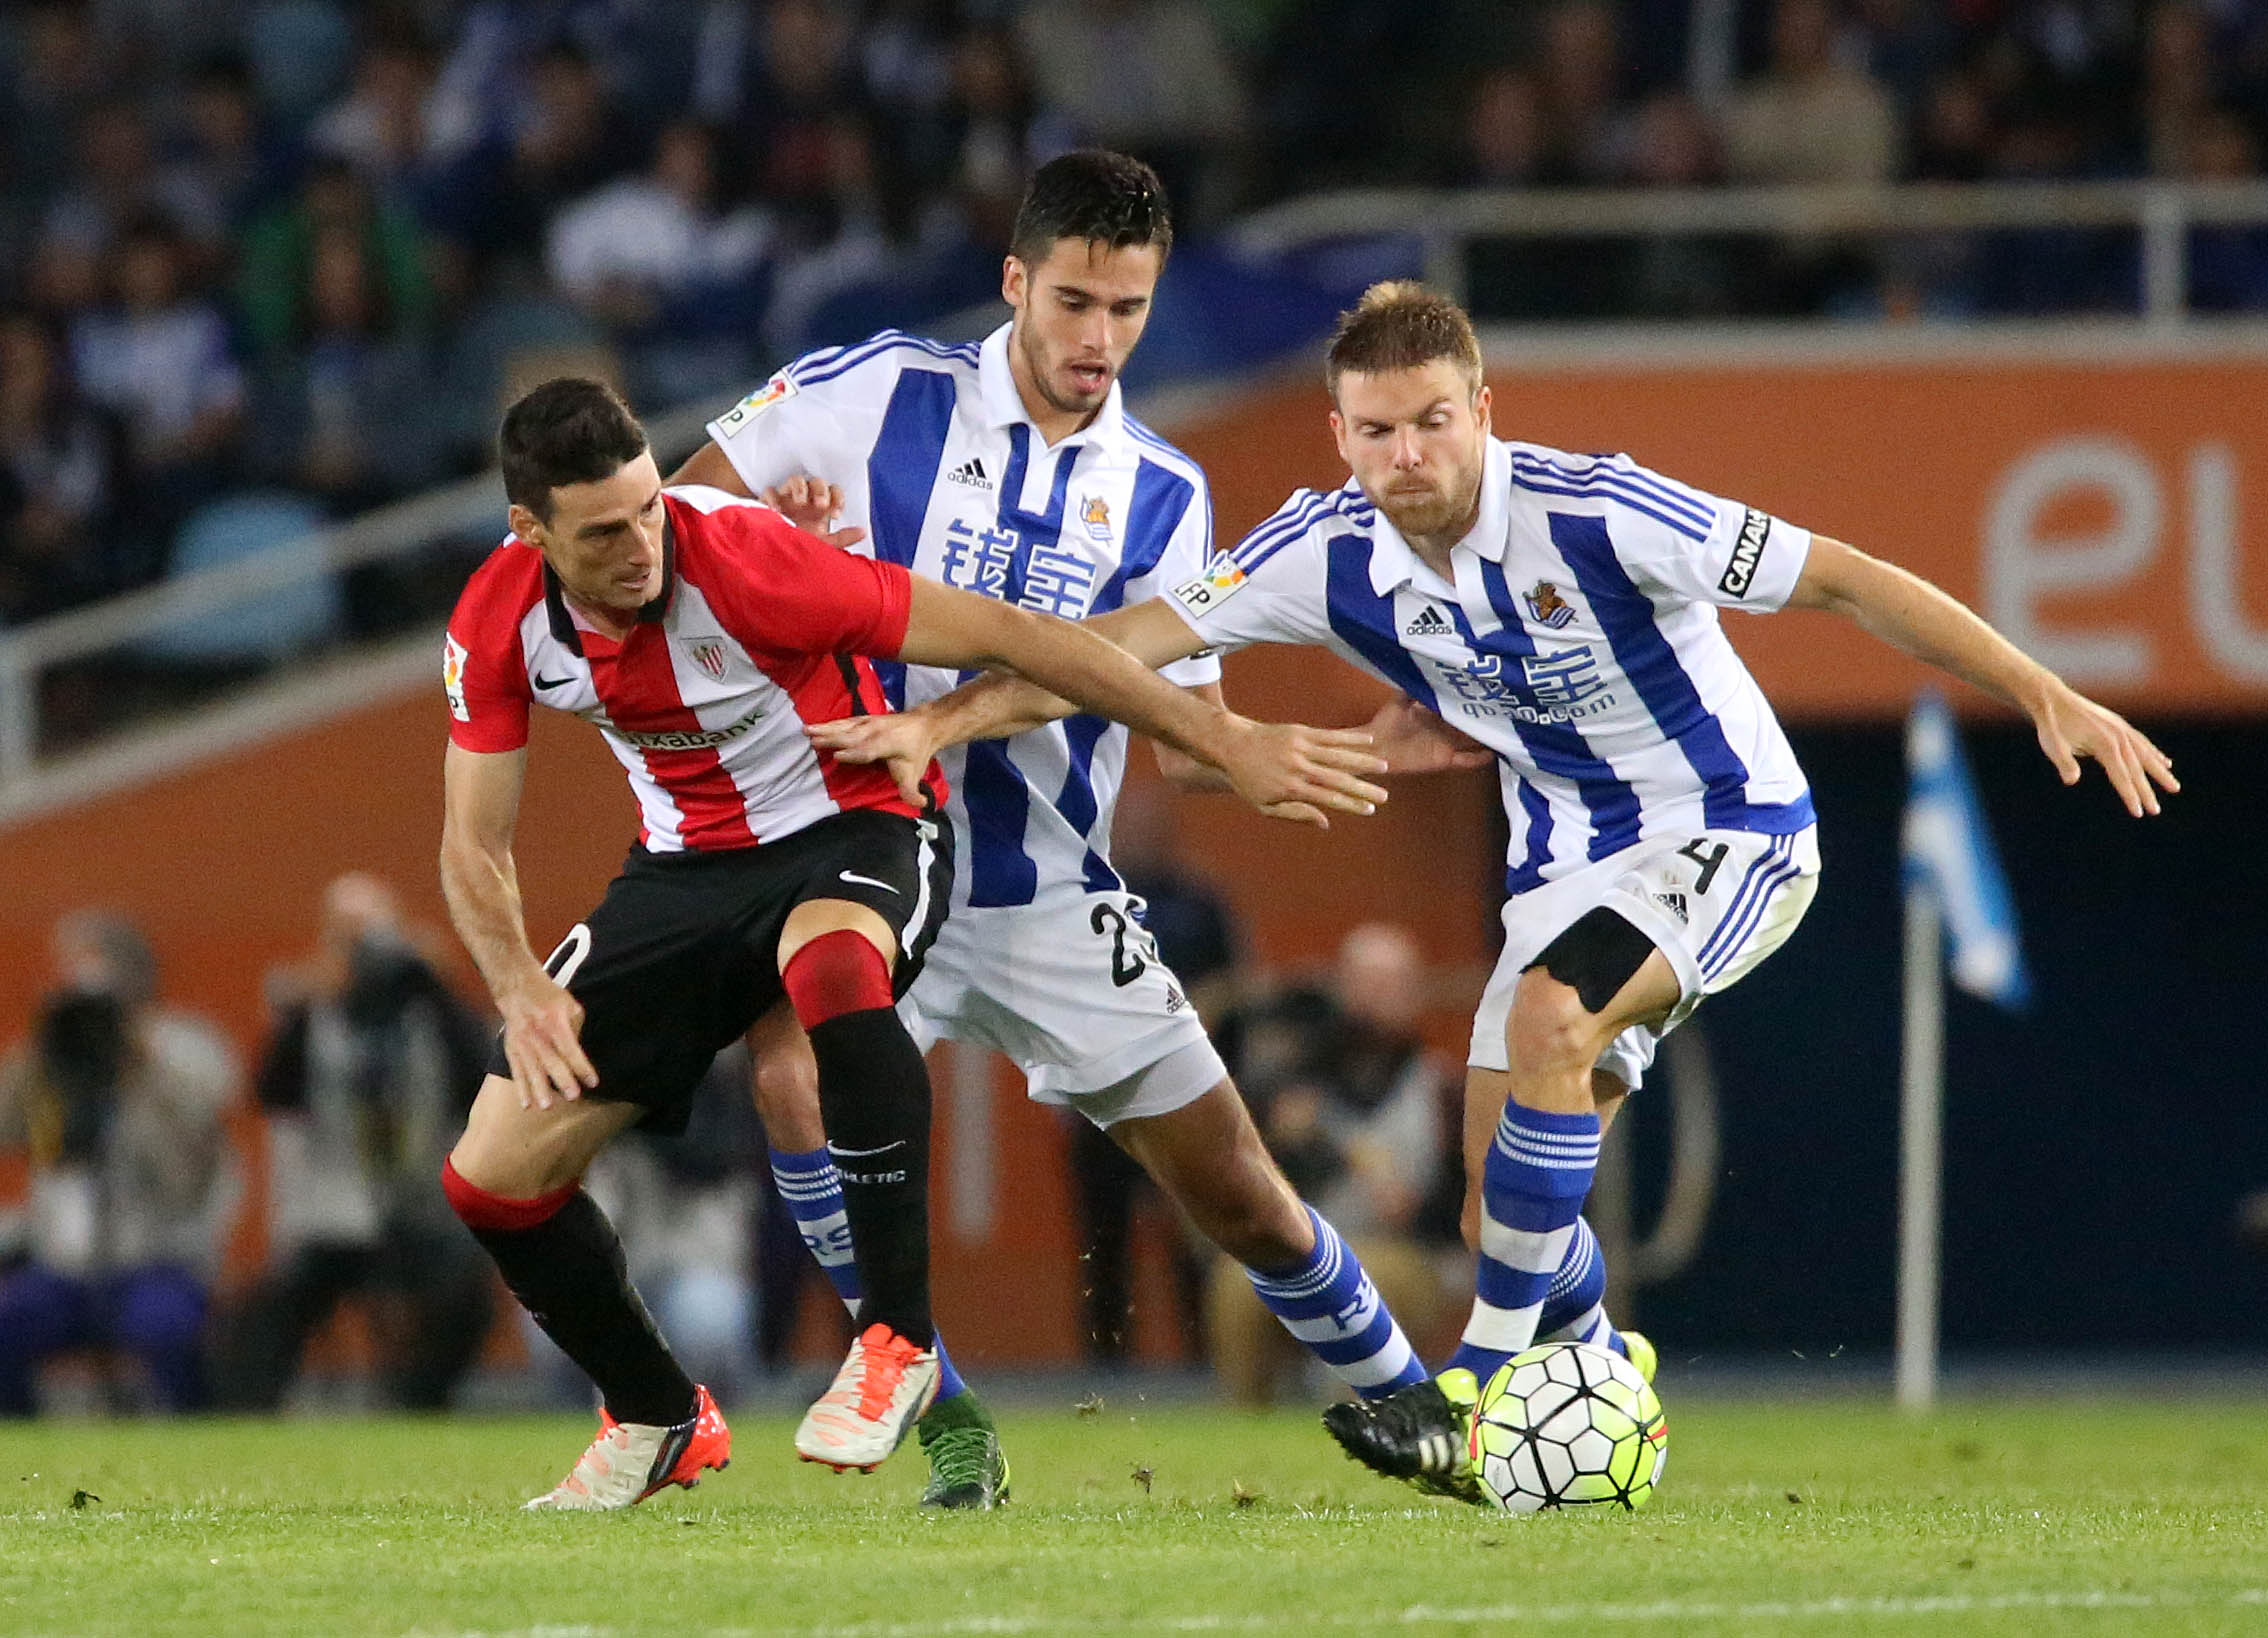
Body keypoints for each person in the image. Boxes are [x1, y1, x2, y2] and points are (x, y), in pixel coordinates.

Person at [807, 280, 2180, 1503]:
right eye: (1376, 431)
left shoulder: (1600, 507)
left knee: (1547, 1027)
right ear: (1338, 435)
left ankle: (1474, 1387)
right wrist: (945, 722)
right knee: (1496, 1213)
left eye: (1432, 423)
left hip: (1730, 826)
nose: (1407, 457)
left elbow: (1845, 581)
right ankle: (1594, 1369)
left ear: (1482, 411)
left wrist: (2041, 688)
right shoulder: (1317, 549)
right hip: (1562, 865)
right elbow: (1102, 650)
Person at [438, 373, 1383, 1510]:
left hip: (858, 821)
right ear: (528, 534)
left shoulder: (749, 560)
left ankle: (896, 1340)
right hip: (684, 871)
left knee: (833, 971)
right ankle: (655, 1414)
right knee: (492, 1180)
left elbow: (1021, 637)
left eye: (649, 507)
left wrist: (1217, 736)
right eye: (605, 531)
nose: (645, 544)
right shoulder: (498, 619)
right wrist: (517, 985)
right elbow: (472, 842)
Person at [671, 150, 1445, 1510]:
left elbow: (1174, 726)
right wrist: (770, 555)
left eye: (1129, 310)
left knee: (1239, 1189)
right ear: (1016, 281)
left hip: (1043, 889)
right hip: (860, 848)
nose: (1100, 341)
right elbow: (678, 520)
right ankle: (949, 1421)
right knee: (790, 1071)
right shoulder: (873, 391)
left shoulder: (1161, 489)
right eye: (1077, 302)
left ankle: (1419, 1409)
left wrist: (1289, 754)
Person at [215, 874, 494, 1412]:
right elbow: (270, 1092)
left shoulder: (430, 1009)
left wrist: (437, 985)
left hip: (422, 1206)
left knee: (465, 1289)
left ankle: (423, 1403)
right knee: (269, 1306)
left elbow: (481, 1078)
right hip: (337, 1216)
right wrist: (304, 1004)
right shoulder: (316, 1012)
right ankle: (246, 1415)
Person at [1208, 923, 1462, 1406]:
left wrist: (1421, 1210)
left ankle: (1359, 1413)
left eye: (1390, 986)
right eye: (1365, 984)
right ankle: (1246, 1418)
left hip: (1408, 1251)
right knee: (1237, 1282)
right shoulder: (1299, 1082)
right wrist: (1287, 1143)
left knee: (1373, 1282)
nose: (1374, 1000)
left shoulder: (1442, 1091)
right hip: (1308, 1244)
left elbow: (1469, 1207)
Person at [0, 912, 240, 1415]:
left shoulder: (181, 1047)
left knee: (171, 1328)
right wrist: (46, 1046)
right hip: (65, 1267)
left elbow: (195, 1156)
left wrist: (139, 1058)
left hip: (158, 1259)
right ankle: (25, 1456)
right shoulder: (54, 1051)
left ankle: (197, 1448)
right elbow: (9, 1129)